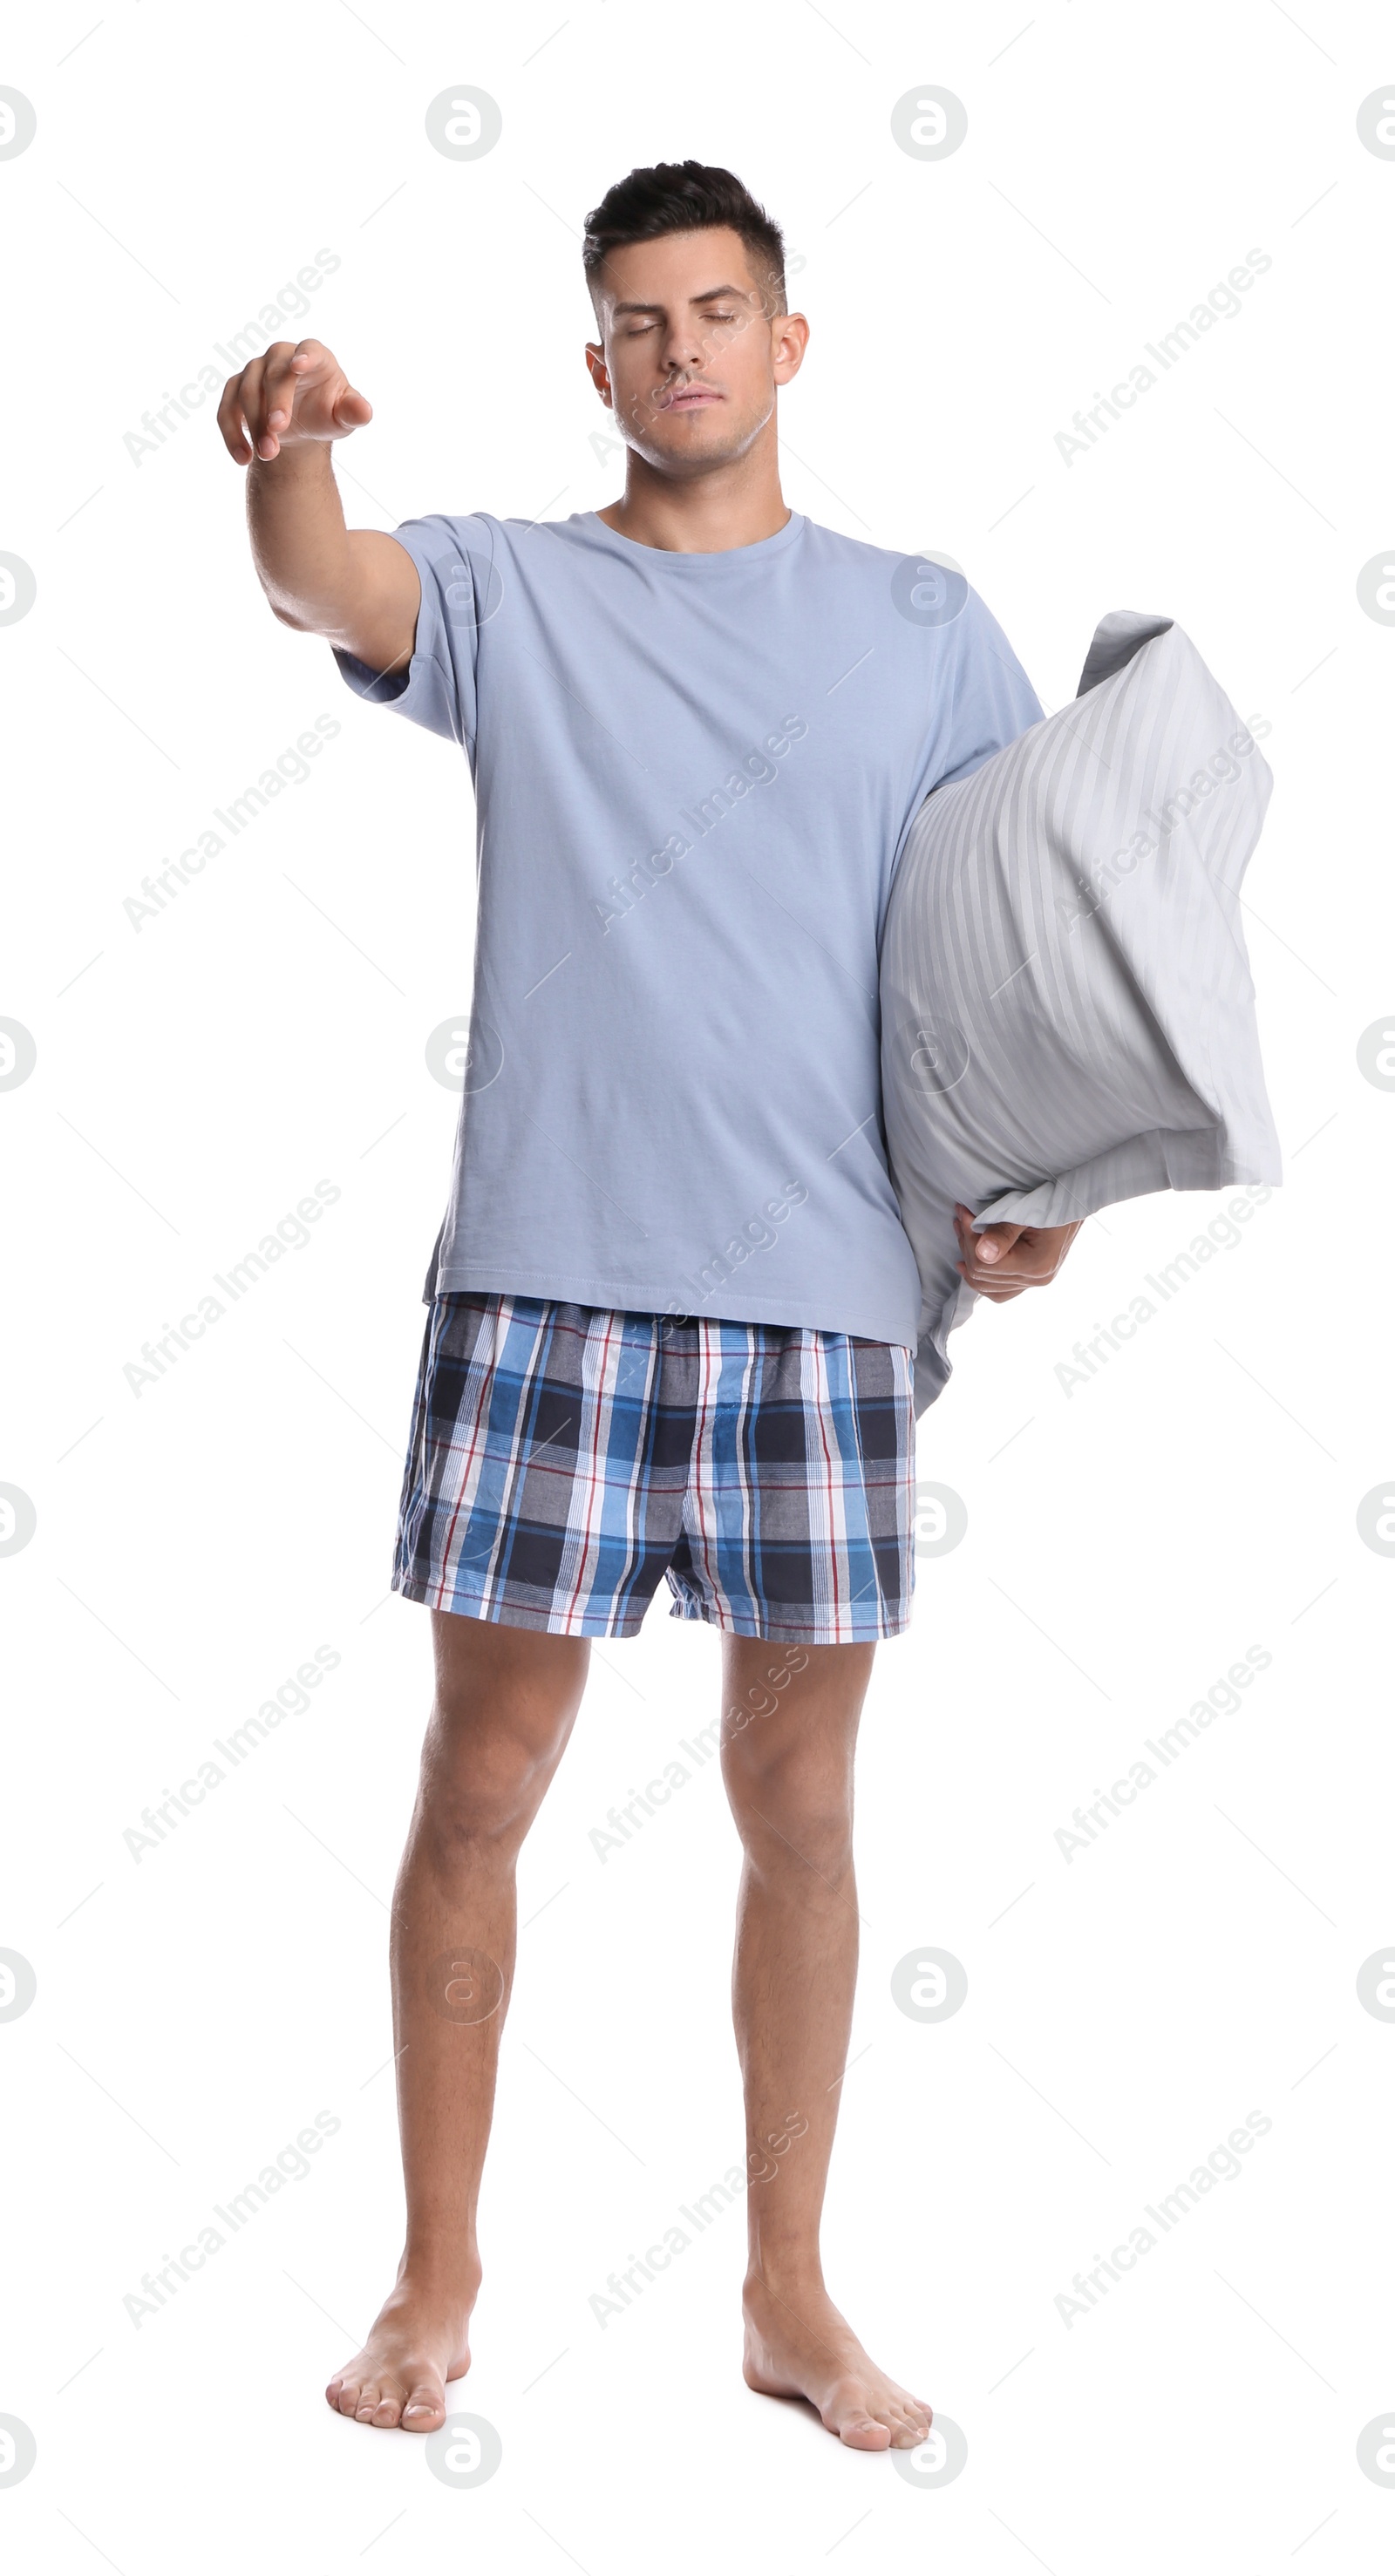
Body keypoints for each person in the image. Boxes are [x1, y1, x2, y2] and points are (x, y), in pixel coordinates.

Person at [218, 159, 1079, 2451]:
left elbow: (1008, 967)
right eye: (636, 318)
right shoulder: (514, 588)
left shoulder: (921, 626)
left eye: (716, 309)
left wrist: (1032, 1195)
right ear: (594, 359)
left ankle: (792, 2295)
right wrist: (294, 445)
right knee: (484, 1774)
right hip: (550, 1282)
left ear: (787, 345)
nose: (679, 347)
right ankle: (436, 2269)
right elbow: (327, 579)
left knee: (801, 1805)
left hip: (821, 1299)